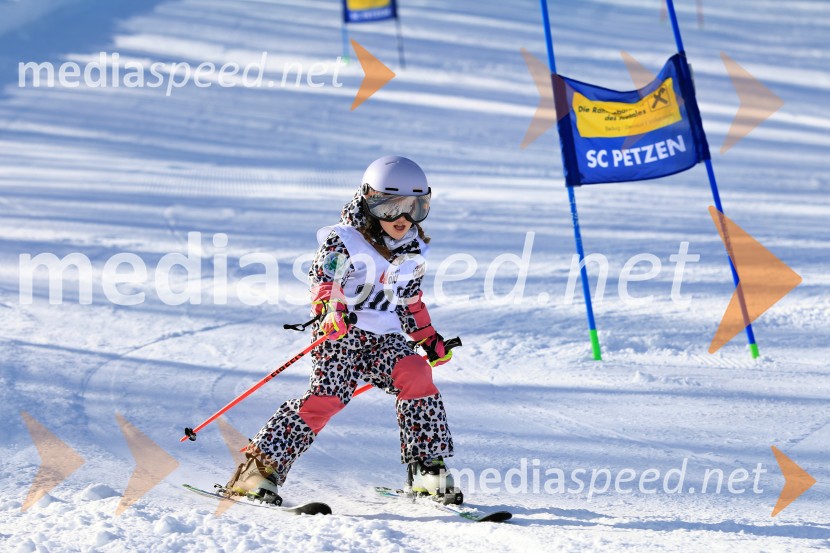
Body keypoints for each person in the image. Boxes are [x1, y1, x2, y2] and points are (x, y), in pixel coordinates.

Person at [224, 156, 458, 505]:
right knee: (327, 399)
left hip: (385, 340)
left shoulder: (413, 248)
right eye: (390, 206)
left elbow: (409, 300)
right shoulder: (344, 239)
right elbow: (325, 280)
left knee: (417, 373)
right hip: (341, 336)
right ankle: (256, 471)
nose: (402, 218)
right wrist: (332, 310)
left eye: (414, 207)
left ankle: (426, 467)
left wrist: (428, 338)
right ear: (368, 201)